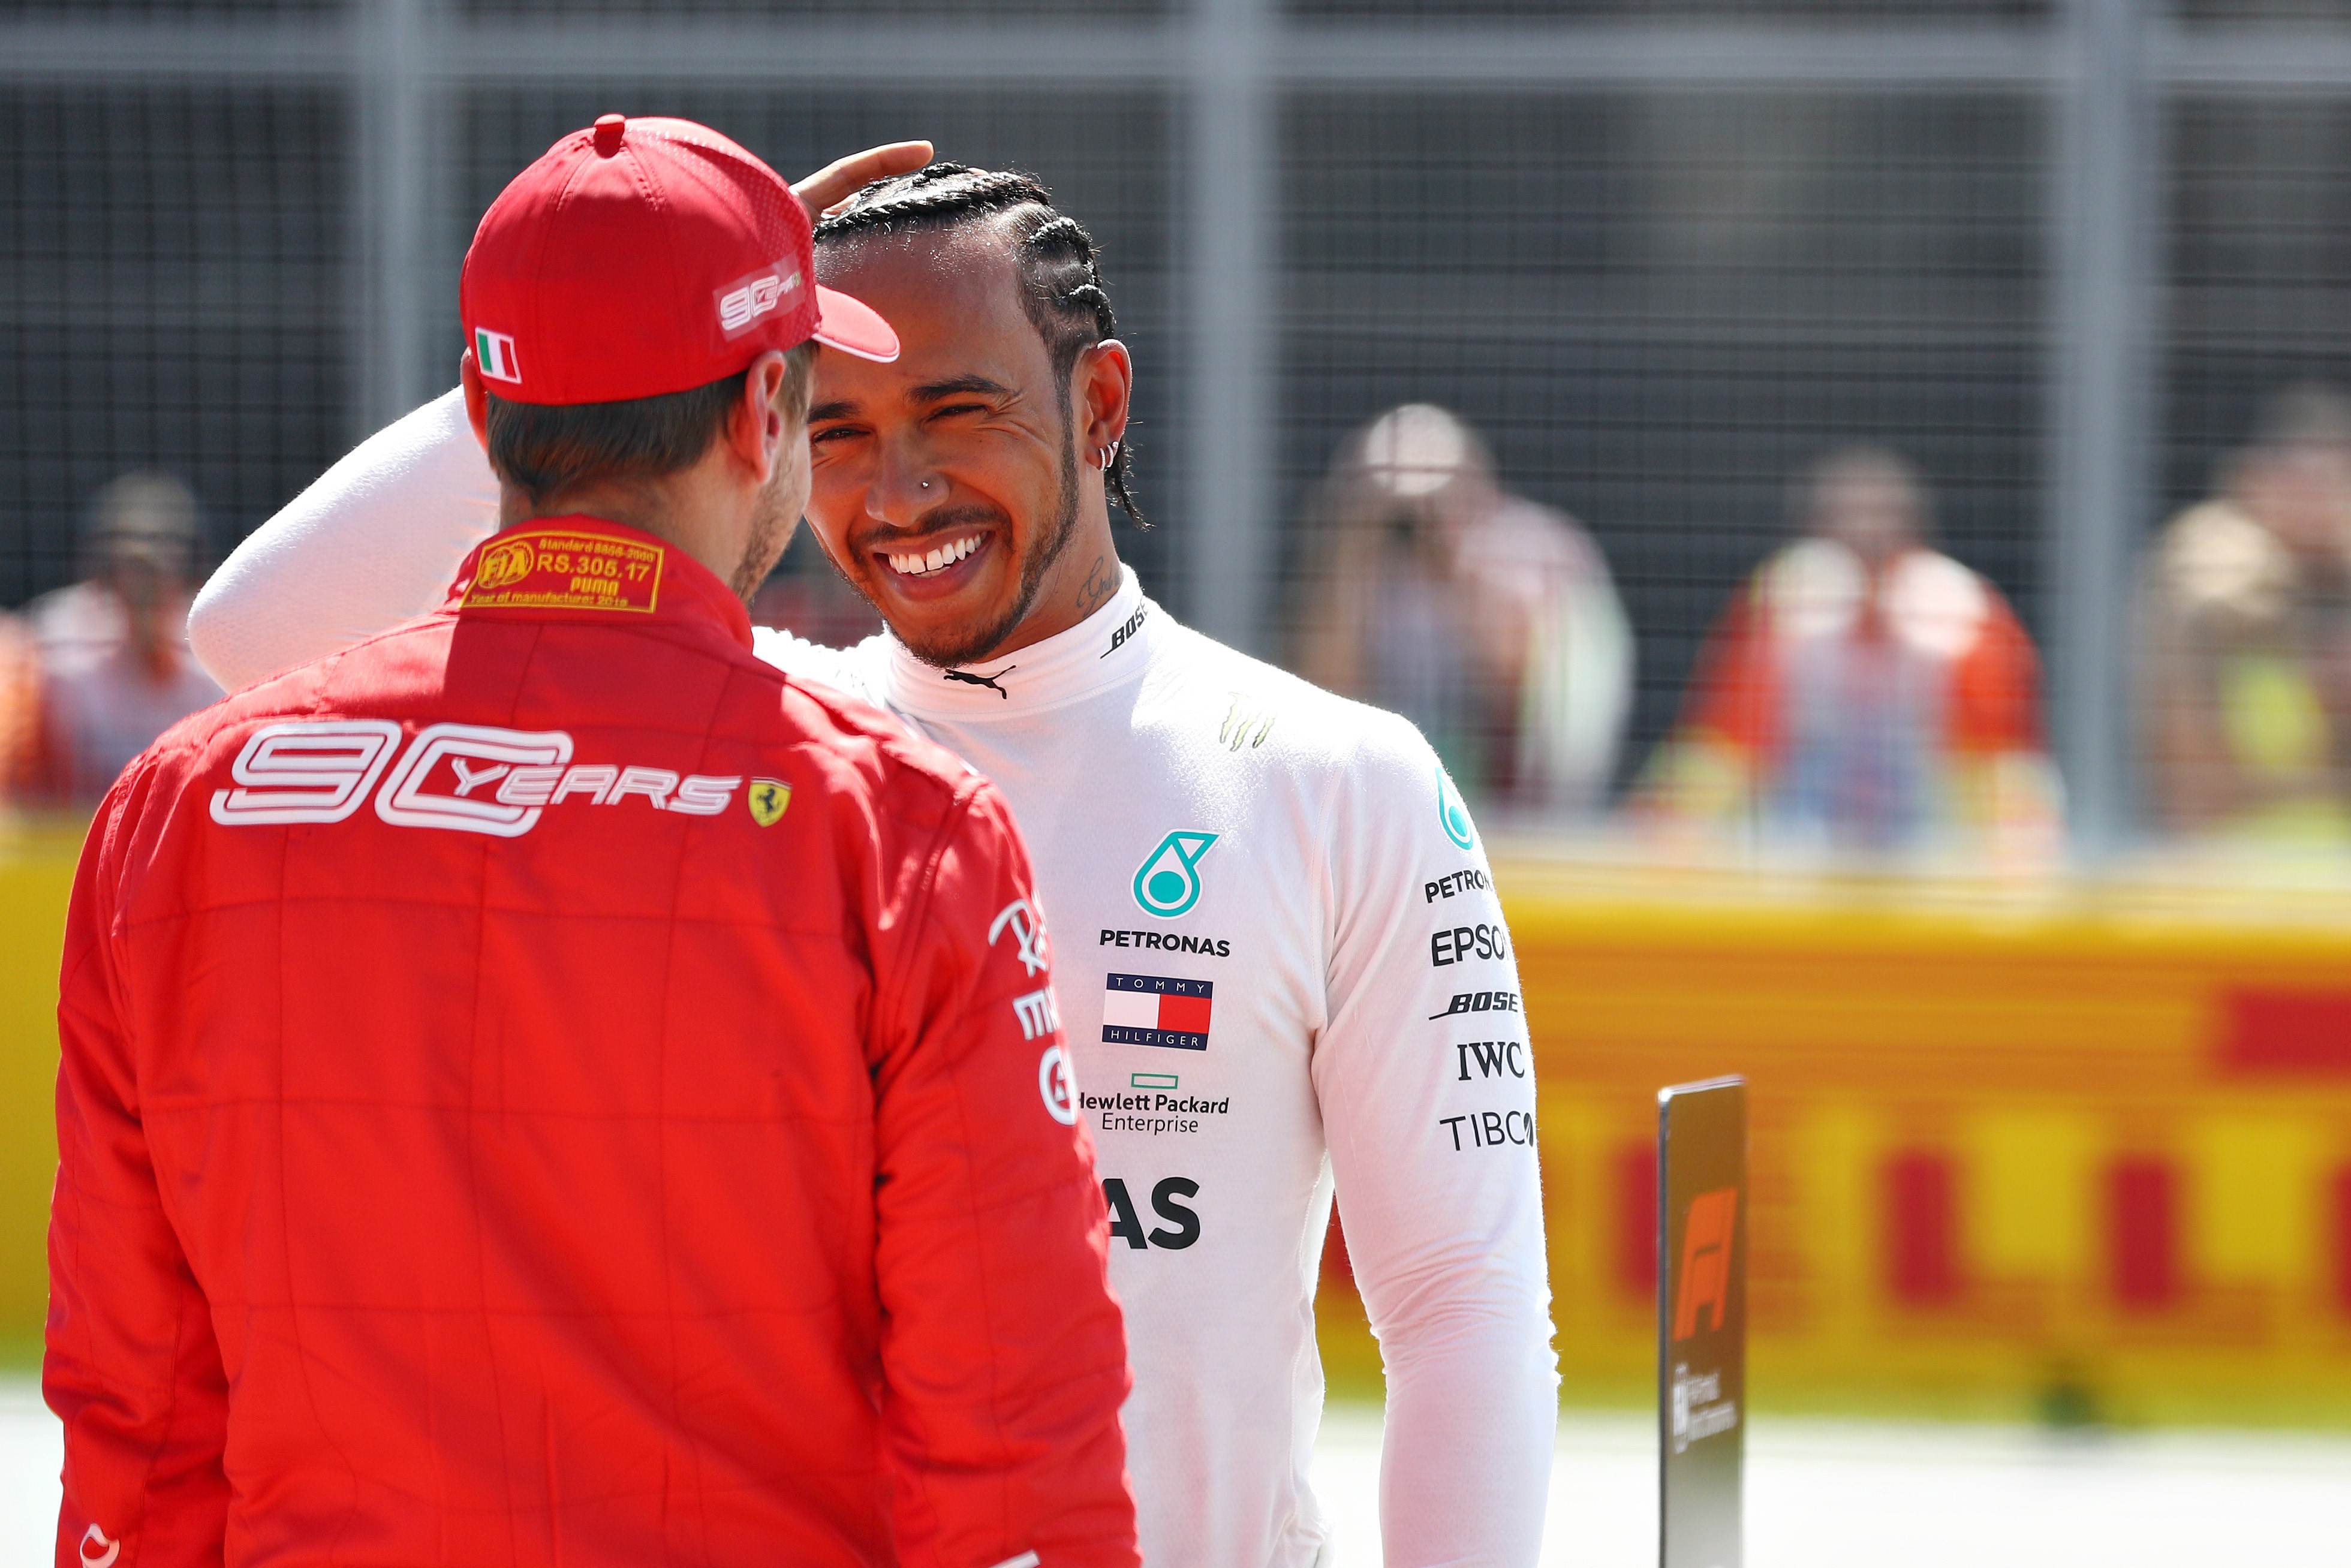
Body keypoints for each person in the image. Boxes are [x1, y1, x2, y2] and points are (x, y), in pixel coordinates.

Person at [191, 157, 1558, 1567]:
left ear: (1098, 407)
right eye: (836, 432)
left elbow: (1463, 1304)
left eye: (959, 415)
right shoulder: (747, 724)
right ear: (771, 434)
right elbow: (259, 637)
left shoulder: (1333, 777)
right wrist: (665, 301)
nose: (899, 493)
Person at [52, 119, 1138, 1568]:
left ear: (483, 418)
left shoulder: (174, 817)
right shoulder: (896, 829)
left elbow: (139, 1425)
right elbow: (1012, 1442)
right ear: (769, 408)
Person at [1640, 445, 2060, 856]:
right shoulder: (1783, 601)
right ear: (1814, 527)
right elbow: (1723, 743)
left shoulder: (1962, 612)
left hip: (1933, 863)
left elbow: (2006, 764)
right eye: (1847, 514)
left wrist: (2021, 856)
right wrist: (1671, 834)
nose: (1864, 529)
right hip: (1796, 854)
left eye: (1880, 515)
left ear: (1915, 528)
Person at [1295, 403, 1632, 819]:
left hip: (1519, 816)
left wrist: (1449, 564)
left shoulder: (1530, 551)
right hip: (1401, 810)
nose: (1416, 517)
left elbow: (1519, 691)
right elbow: (1323, 696)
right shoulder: (1369, 573)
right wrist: (1356, 535)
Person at [2141, 384, 2351, 841]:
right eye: (2303, 482)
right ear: (2251, 479)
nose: (2318, 504)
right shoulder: (2217, 574)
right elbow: (2192, 783)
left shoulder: (2330, 579)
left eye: (2334, 483)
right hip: (2230, 876)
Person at [11, 472, 222, 804]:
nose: (146, 571)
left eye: (164, 548)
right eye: (132, 557)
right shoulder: (57, 649)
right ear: (106, 567)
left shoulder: (214, 653)